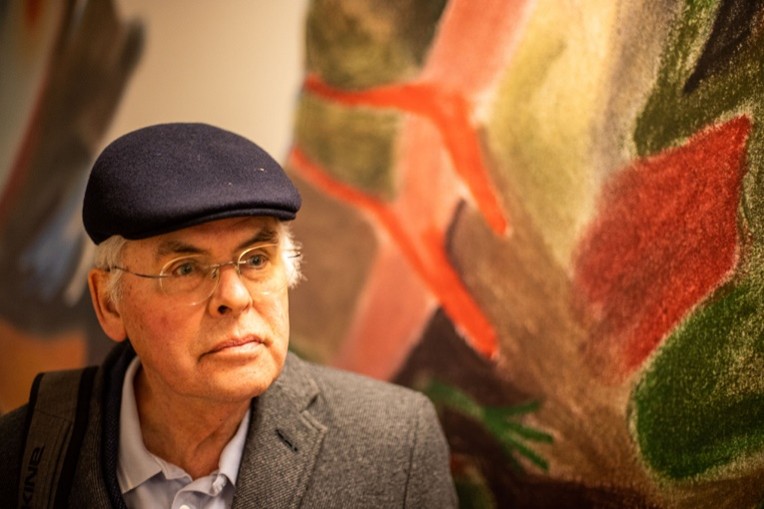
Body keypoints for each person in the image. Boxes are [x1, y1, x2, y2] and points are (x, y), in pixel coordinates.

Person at [0, 123, 457, 508]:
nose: (234, 297)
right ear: (109, 303)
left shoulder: (395, 446)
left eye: (256, 259)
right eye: (185, 268)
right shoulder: (17, 455)